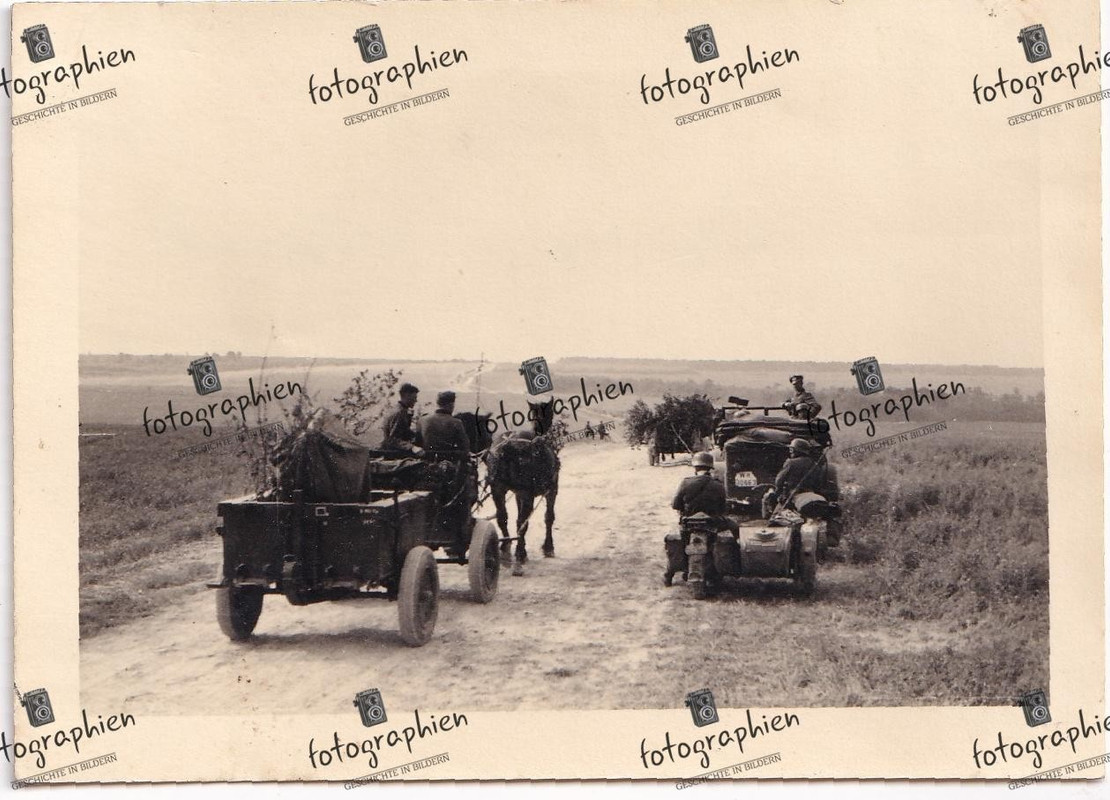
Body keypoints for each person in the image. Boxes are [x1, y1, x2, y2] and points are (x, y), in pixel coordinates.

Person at [415, 391, 474, 556]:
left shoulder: (423, 420)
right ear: (451, 404)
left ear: (437, 403)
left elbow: (417, 443)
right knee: (465, 495)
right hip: (449, 472)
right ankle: (458, 539)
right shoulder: (456, 423)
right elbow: (465, 450)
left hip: (426, 470)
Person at [666, 452, 736, 587]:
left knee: (678, 542)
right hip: (711, 523)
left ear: (695, 468)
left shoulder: (685, 482)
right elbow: (723, 508)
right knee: (734, 527)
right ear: (710, 468)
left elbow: (676, 505)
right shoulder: (717, 484)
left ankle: (669, 574)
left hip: (689, 523)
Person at [763, 438, 824, 516]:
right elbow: (819, 483)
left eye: (792, 449)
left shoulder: (791, 463)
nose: (790, 451)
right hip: (810, 493)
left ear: (797, 450)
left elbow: (779, 481)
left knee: (775, 515)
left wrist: (777, 493)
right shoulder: (815, 465)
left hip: (792, 495)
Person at [381, 382, 422, 453]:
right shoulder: (399, 413)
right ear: (407, 396)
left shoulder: (401, 410)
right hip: (392, 452)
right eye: (414, 397)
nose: (416, 400)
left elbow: (404, 432)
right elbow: (392, 440)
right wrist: (412, 447)